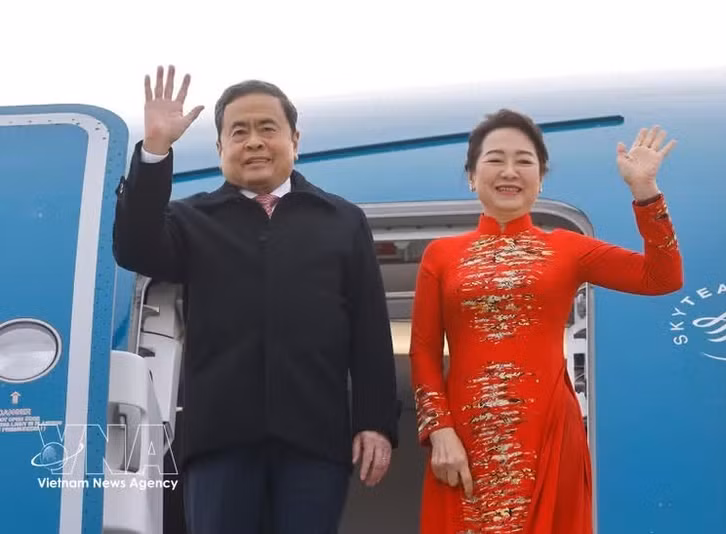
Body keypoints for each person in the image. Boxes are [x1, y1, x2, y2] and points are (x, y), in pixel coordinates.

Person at [112, 65, 399, 534]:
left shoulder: (341, 220)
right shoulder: (191, 219)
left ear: (295, 139)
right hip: (219, 441)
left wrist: (376, 422)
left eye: (268, 128)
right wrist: (156, 150)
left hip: (315, 439)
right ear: (221, 147)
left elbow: (369, 330)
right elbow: (133, 246)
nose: (254, 142)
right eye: (238, 132)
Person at [409, 109, 683, 533]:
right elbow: (424, 351)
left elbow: (662, 277)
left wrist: (645, 192)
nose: (510, 171)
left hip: (550, 437)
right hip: (463, 444)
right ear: (471, 174)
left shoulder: (568, 248)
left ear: (541, 178)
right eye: (495, 159)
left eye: (524, 161)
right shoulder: (440, 256)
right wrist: (439, 431)